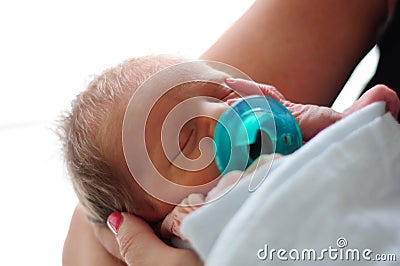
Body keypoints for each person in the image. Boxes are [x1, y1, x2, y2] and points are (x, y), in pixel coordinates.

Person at [62, 0, 400, 265]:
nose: (223, 113)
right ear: (150, 218)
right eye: (185, 139)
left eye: (223, 94)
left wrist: (346, 127)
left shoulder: (281, 144)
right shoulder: (187, 217)